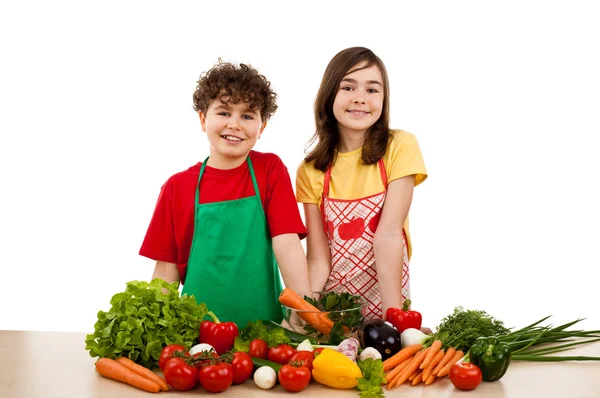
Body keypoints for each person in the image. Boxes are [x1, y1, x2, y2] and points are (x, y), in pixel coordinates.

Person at [139, 59, 311, 328]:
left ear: (261, 126)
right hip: (197, 337)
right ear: (202, 118)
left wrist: (305, 310)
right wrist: (151, 327)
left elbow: (287, 244)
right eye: (224, 112)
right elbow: (166, 270)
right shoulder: (177, 187)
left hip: (265, 335)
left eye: (247, 115)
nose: (235, 124)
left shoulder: (270, 170)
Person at [296, 47, 428, 320]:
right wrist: (306, 313)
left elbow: (388, 234)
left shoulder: (399, 146)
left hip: (387, 296)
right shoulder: (310, 170)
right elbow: (319, 258)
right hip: (336, 310)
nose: (360, 98)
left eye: (372, 90)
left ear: (384, 99)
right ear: (329, 94)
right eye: (348, 87)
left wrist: (395, 319)